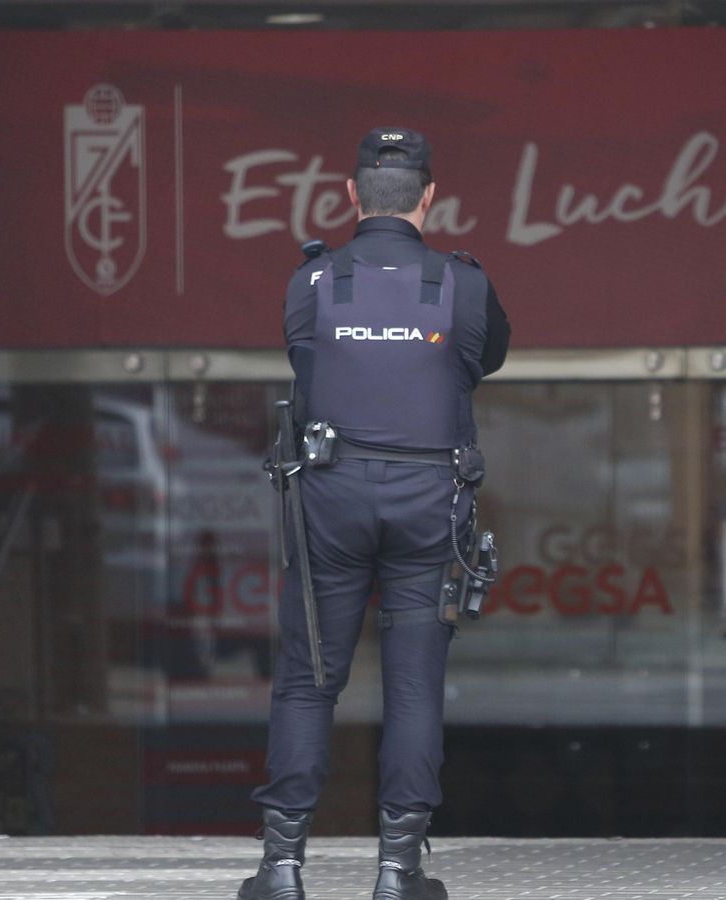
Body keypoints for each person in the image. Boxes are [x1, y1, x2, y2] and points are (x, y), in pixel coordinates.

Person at [239, 126, 511, 900]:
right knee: (416, 686)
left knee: (305, 682)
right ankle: (399, 871)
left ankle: (283, 866)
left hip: (331, 496)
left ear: (351, 194)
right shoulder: (464, 285)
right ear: (431, 197)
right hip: (431, 504)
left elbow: (305, 361)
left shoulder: (312, 281)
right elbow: (483, 361)